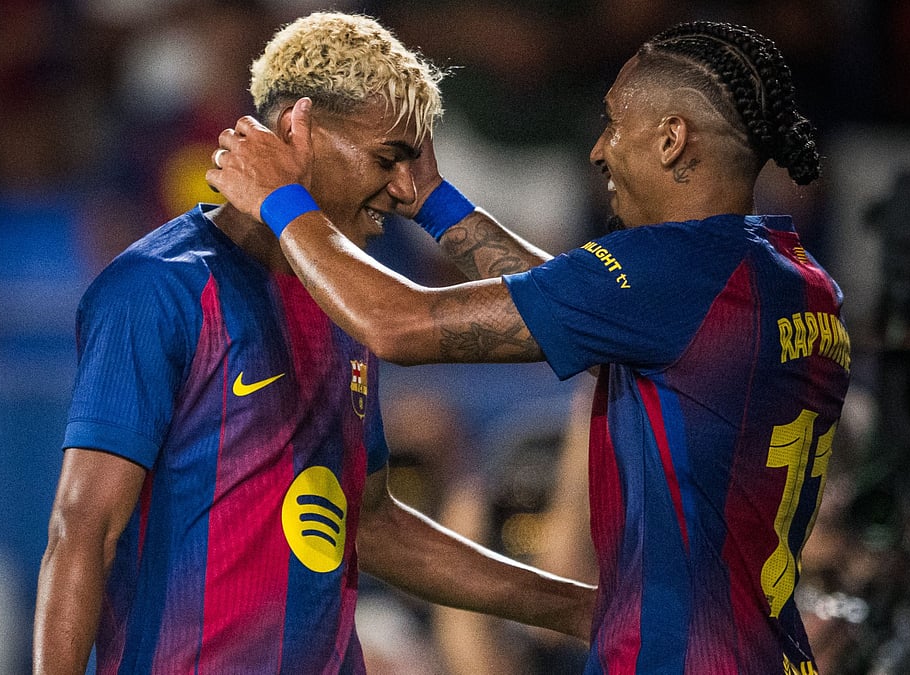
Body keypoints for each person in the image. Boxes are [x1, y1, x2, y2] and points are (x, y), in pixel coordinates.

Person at [208, 20, 852, 674]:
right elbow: (574, 302)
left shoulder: (673, 274)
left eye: (612, 124)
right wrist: (434, 202)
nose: (598, 151)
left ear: (671, 138)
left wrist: (282, 201)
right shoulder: (796, 282)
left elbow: (396, 324)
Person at [32, 12, 595, 674]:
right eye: (387, 159)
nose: (404, 191)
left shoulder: (351, 298)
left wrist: (583, 609)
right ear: (297, 128)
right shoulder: (156, 288)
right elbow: (82, 531)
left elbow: (372, 523)